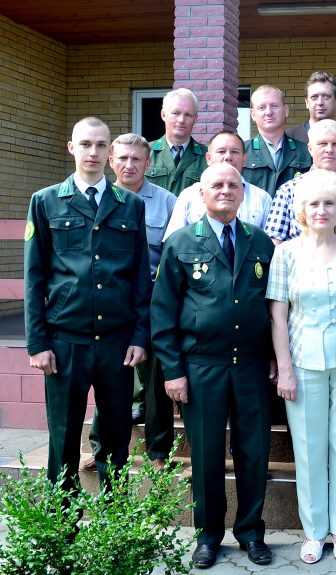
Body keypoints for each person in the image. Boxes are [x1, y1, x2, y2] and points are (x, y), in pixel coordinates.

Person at [151, 163, 275, 569]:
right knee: (205, 455)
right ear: (201, 194)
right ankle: (208, 534)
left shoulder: (261, 242)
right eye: (217, 185)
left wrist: (276, 358)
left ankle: (251, 532)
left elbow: (273, 307)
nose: (225, 190)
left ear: (243, 193)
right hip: (201, 366)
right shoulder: (182, 243)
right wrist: (172, 370)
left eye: (233, 185)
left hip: (252, 366)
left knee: (253, 452)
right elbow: (163, 313)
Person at [24, 117, 151, 492]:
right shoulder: (45, 201)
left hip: (116, 342)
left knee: (115, 437)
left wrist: (140, 336)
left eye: (100, 145)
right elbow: (34, 278)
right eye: (85, 144)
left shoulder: (130, 205)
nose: (92, 152)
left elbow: (140, 277)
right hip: (66, 341)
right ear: (72, 148)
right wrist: (38, 343)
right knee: (62, 438)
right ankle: (62, 527)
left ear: (109, 152)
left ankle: (114, 527)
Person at [267, 169, 336, 565]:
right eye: (314, 203)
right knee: (309, 449)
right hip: (302, 361)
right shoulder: (285, 253)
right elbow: (278, 316)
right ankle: (313, 532)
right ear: (301, 209)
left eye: (329, 203)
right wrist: (285, 368)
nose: (322, 210)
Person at [82, 133, 177, 473]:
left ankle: (158, 451)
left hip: (152, 302)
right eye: (122, 158)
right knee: (107, 374)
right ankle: (99, 446)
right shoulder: (94, 200)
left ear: (148, 163)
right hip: (108, 304)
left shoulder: (167, 202)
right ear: (111, 160)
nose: (129, 165)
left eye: (137, 159)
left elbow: (171, 256)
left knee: (155, 379)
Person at [265, 119, 336, 244]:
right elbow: (275, 243)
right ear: (310, 148)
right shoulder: (288, 191)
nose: (329, 149)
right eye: (322, 144)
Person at [163, 130, 272, 239]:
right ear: (208, 158)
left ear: (244, 159)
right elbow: (173, 242)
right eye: (221, 151)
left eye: (235, 152)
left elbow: (269, 246)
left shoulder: (262, 198)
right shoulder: (188, 196)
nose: (228, 157)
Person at [243, 85, 312, 196]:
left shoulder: (306, 152)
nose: (269, 112)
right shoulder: (241, 152)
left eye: (274, 106)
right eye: (262, 108)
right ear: (253, 115)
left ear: (286, 111)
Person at [145, 88, 208, 196]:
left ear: (195, 119)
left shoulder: (208, 155)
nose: (181, 120)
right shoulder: (145, 151)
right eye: (176, 113)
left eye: (188, 115)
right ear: (163, 115)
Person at [286, 71, 336, 143]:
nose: (320, 102)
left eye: (326, 96)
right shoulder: (290, 138)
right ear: (306, 102)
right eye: (314, 97)